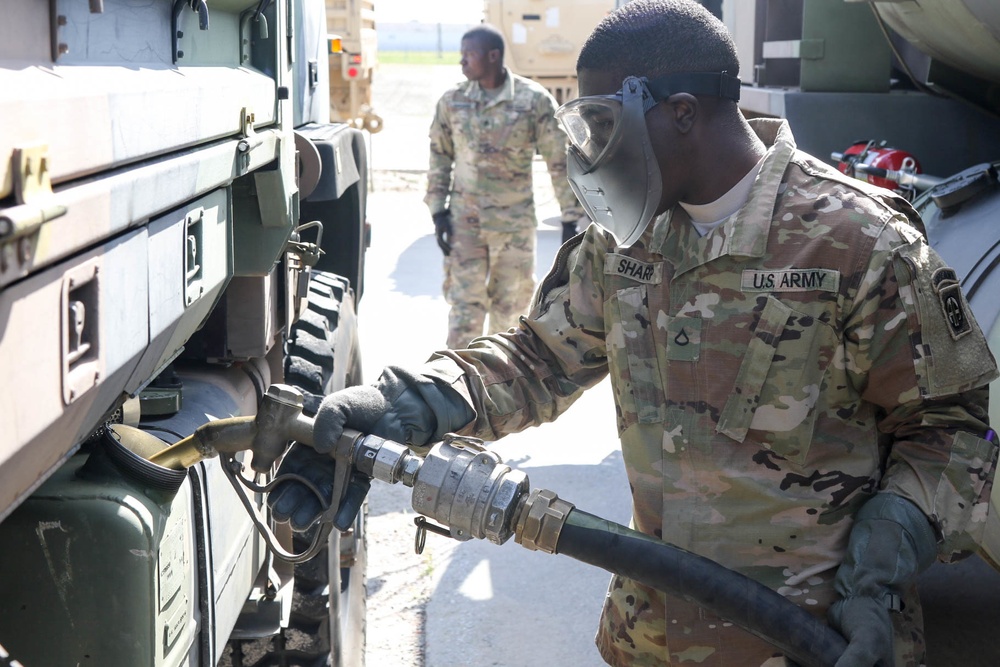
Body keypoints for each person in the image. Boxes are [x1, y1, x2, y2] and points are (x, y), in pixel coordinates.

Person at [270, 2, 1000, 665]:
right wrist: (410, 401)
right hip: (652, 638)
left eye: (604, 125)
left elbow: (952, 431)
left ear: (681, 113)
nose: (593, 151)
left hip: (816, 642)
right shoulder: (624, 243)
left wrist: (881, 571)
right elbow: (533, 359)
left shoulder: (859, 241)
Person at [426, 24, 585, 349]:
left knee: (510, 313)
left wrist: (570, 219)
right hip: (465, 227)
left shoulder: (532, 101)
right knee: (463, 312)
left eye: (469, 54)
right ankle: (455, 389)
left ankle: (500, 389)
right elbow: (440, 156)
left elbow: (559, 161)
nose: (462, 62)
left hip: (513, 230)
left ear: (493, 56)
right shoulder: (453, 101)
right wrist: (438, 212)